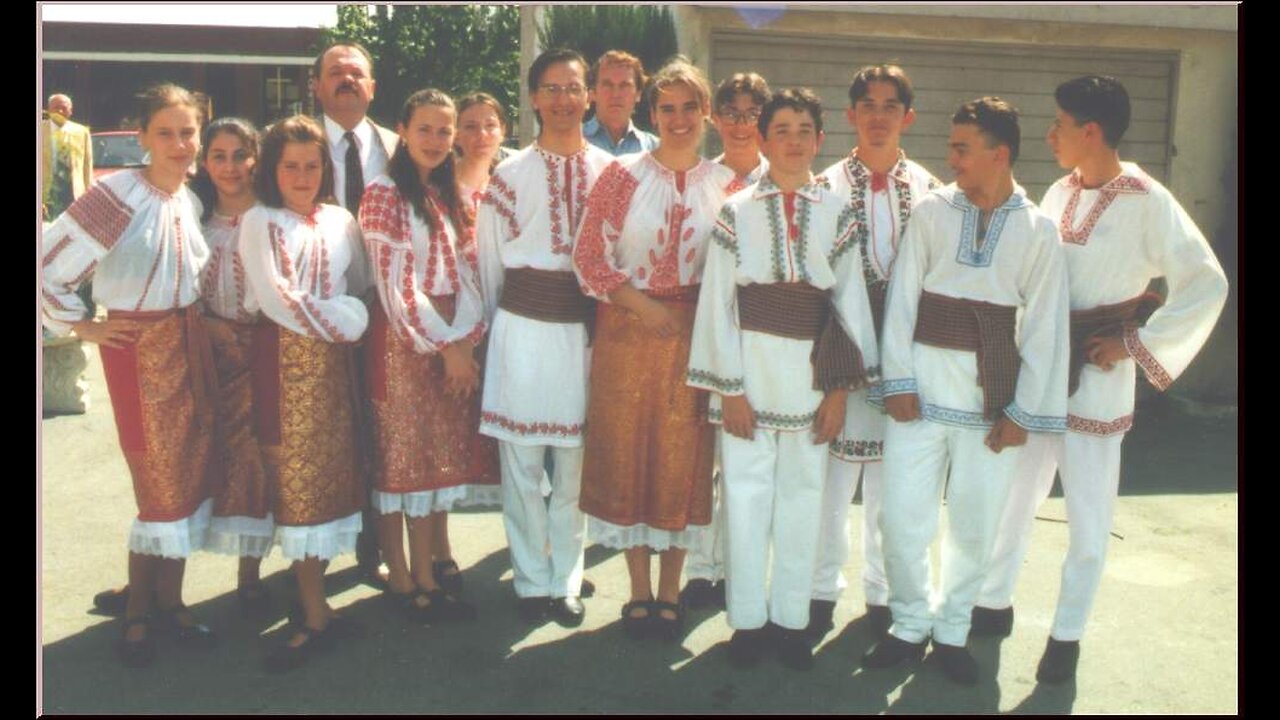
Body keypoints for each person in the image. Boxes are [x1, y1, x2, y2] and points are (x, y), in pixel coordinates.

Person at [972, 75, 1228, 684]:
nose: (1049, 134)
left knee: (1088, 512)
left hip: (1098, 372)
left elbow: (1206, 281)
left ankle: (1067, 636)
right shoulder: (1058, 191)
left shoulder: (1146, 198)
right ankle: (993, 601)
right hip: (1042, 370)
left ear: (1090, 130)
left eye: (1059, 123)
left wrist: (1134, 344)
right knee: (1017, 495)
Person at [862, 97, 1070, 686]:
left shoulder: (1037, 229)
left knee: (975, 524)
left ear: (998, 154)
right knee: (901, 519)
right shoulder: (931, 213)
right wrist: (897, 382)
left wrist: (1022, 413)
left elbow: (1045, 329)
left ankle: (952, 630)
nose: (950, 158)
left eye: (961, 148)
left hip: (990, 403)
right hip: (919, 398)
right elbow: (902, 301)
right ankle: (908, 623)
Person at [687, 88, 880, 671]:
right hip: (749, 375)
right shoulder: (736, 209)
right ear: (763, 140)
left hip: (811, 381)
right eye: (783, 130)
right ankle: (747, 621)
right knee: (745, 501)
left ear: (820, 140)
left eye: (805, 130)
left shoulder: (837, 212)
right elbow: (717, 304)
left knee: (803, 502)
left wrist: (840, 393)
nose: (794, 140)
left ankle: (791, 621)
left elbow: (850, 307)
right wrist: (731, 390)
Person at [43, 84, 217, 668]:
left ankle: (170, 599)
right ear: (141, 137)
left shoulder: (189, 200)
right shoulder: (116, 194)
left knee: (188, 475)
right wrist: (83, 326)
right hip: (136, 348)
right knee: (158, 484)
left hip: (188, 344)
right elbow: (47, 265)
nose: (178, 144)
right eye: (164, 132)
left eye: (187, 131)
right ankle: (139, 610)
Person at [573, 59, 735, 641]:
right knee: (629, 453)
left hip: (695, 337)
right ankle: (637, 591)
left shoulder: (726, 184)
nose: (679, 118)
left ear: (706, 113)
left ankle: (672, 591)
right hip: (627, 327)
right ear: (652, 113)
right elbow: (589, 256)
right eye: (667, 108)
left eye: (690, 107)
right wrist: (644, 308)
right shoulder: (621, 176)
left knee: (683, 458)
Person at [476, 48, 614, 627]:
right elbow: (489, 269)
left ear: (589, 97)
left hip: (584, 335)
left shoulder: (613, 171)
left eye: (573, 88)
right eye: (550, 89)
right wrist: (491, 337)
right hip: (523, 333)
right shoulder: (507, 175)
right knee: (523, 466)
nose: (562, 99)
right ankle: (532, 577)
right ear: (533, 98)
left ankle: (566, 578)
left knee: (574, 468)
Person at [808, 64, 941, 642]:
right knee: (831, 481)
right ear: (851, 115)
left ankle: (886, 593)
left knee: (898, 483)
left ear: (908, 116)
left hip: (907, 352)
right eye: (868, 104)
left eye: (891, 106)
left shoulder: (933, 192)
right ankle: (818, 589)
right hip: (843, 347)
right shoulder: (825, 186)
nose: (879, 116)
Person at [238, 115, 371, 672]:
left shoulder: (342, 220)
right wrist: (348, 318)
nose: (301, 175)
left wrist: (352, 313)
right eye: (290, 165)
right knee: (296, 484)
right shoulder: (259, 220)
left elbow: (361, 281)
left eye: (312, 165)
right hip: (283, 363)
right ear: (272, 169)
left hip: (334, 370)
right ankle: (314, 616)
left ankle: (318, 607)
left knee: (332, 479)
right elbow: (277, 298)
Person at [359, 89, 498, 622]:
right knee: (401, 456)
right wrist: (446, 345)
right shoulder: (382, 192)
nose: (438, 140)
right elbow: (396, 285)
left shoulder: (445, 193)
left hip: (447, 335)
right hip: (403, 339)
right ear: (402, 130)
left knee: (434, 455)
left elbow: (465, 273)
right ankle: (403, 573)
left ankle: (428, 566)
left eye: (446, 131)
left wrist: (464, 339)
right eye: (426, 129)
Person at [681, 71, 773, 612]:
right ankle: (701, 567)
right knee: (702, 457)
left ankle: (741, 568)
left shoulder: (779, 180)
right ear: (716, 119)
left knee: (746, 460)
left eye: (752, 113)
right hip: (702, 328)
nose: (742, 124)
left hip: (761, 338)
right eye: (731, 113)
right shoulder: (697, 178)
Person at [311, 40, 397, 582]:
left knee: (382, 426)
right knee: (322, 431)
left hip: (385, 307)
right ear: (316, 85)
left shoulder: (398, 145)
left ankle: (379, 545)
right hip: (314, 311)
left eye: (356, 73)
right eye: (335, 73)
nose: (346, 80)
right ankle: (311, 556)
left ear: (372, 87)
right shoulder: (291, 143)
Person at [190, 117, 276, 615]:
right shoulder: (195, 218)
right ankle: (159, 572)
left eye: (240, 155)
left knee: (255, 459)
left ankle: (250, 568)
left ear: (256, 160)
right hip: (207, 353)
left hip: (260, 352)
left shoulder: (270, 216)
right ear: (205, 163)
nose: (229, 167)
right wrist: (207, 325)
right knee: (202, 457)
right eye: (218, 156)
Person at [583, 50, 658, 156]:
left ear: (638, 94)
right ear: (594, 92)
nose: (615, 94)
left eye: (624, 86)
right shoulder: (572, 142)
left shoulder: (654, 149)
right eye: (607, 85)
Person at [455, 92, 515, 211]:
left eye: (490, 125)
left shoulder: (511, 190)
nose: (482, 134)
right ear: (456, 135)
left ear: (502, 131)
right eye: (471, 127)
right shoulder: (437, 190)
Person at [42, 93, 94, 221]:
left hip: (73, 193)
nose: (59, 111)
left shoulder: (82, 132)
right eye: (55, 107)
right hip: (46, 193)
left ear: (70, 111)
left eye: (64, 108)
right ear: (49, 110)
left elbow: (87, 165)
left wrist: (88, 194)